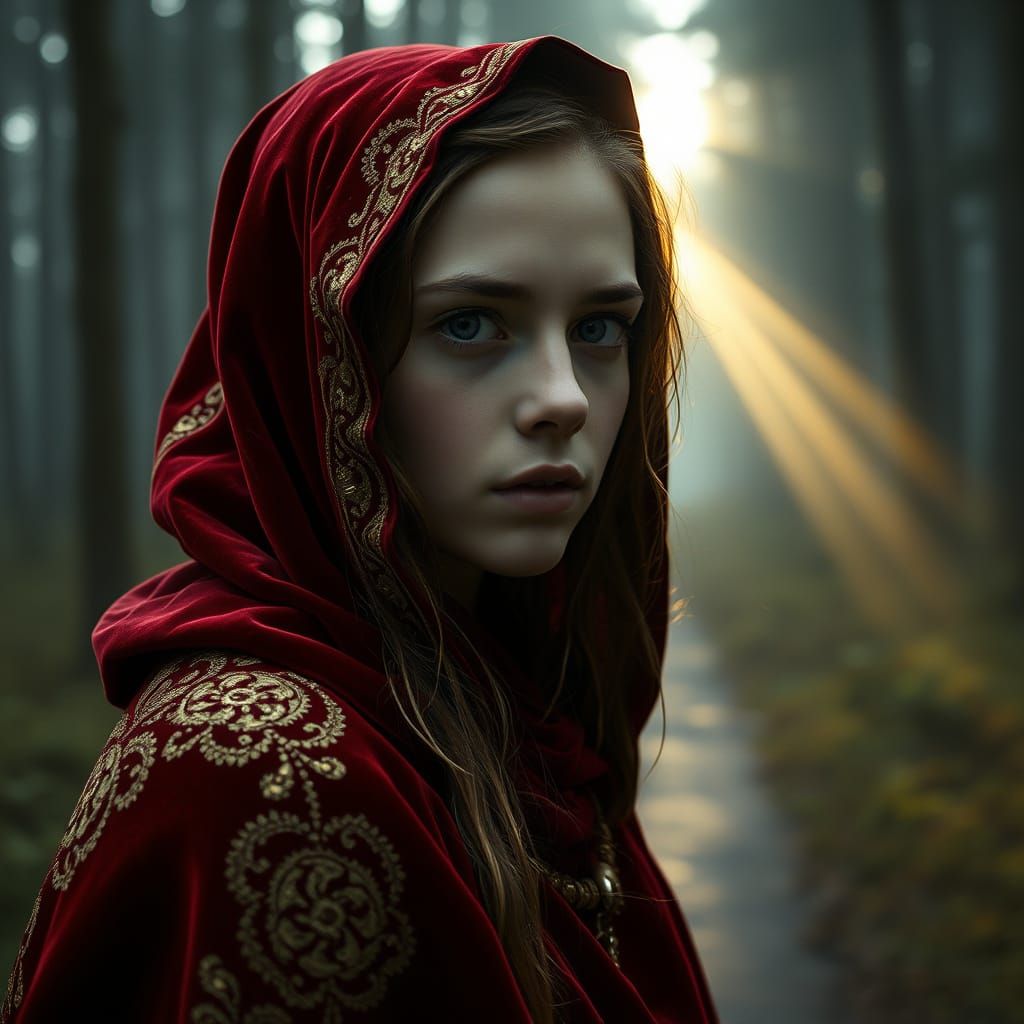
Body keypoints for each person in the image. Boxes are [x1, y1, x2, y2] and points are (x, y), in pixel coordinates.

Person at [1, 35, 718, 1023]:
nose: (562, 398)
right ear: (318, 359)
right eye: (471, 323)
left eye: (600, 327)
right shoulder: (261, 781)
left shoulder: (524, 708)